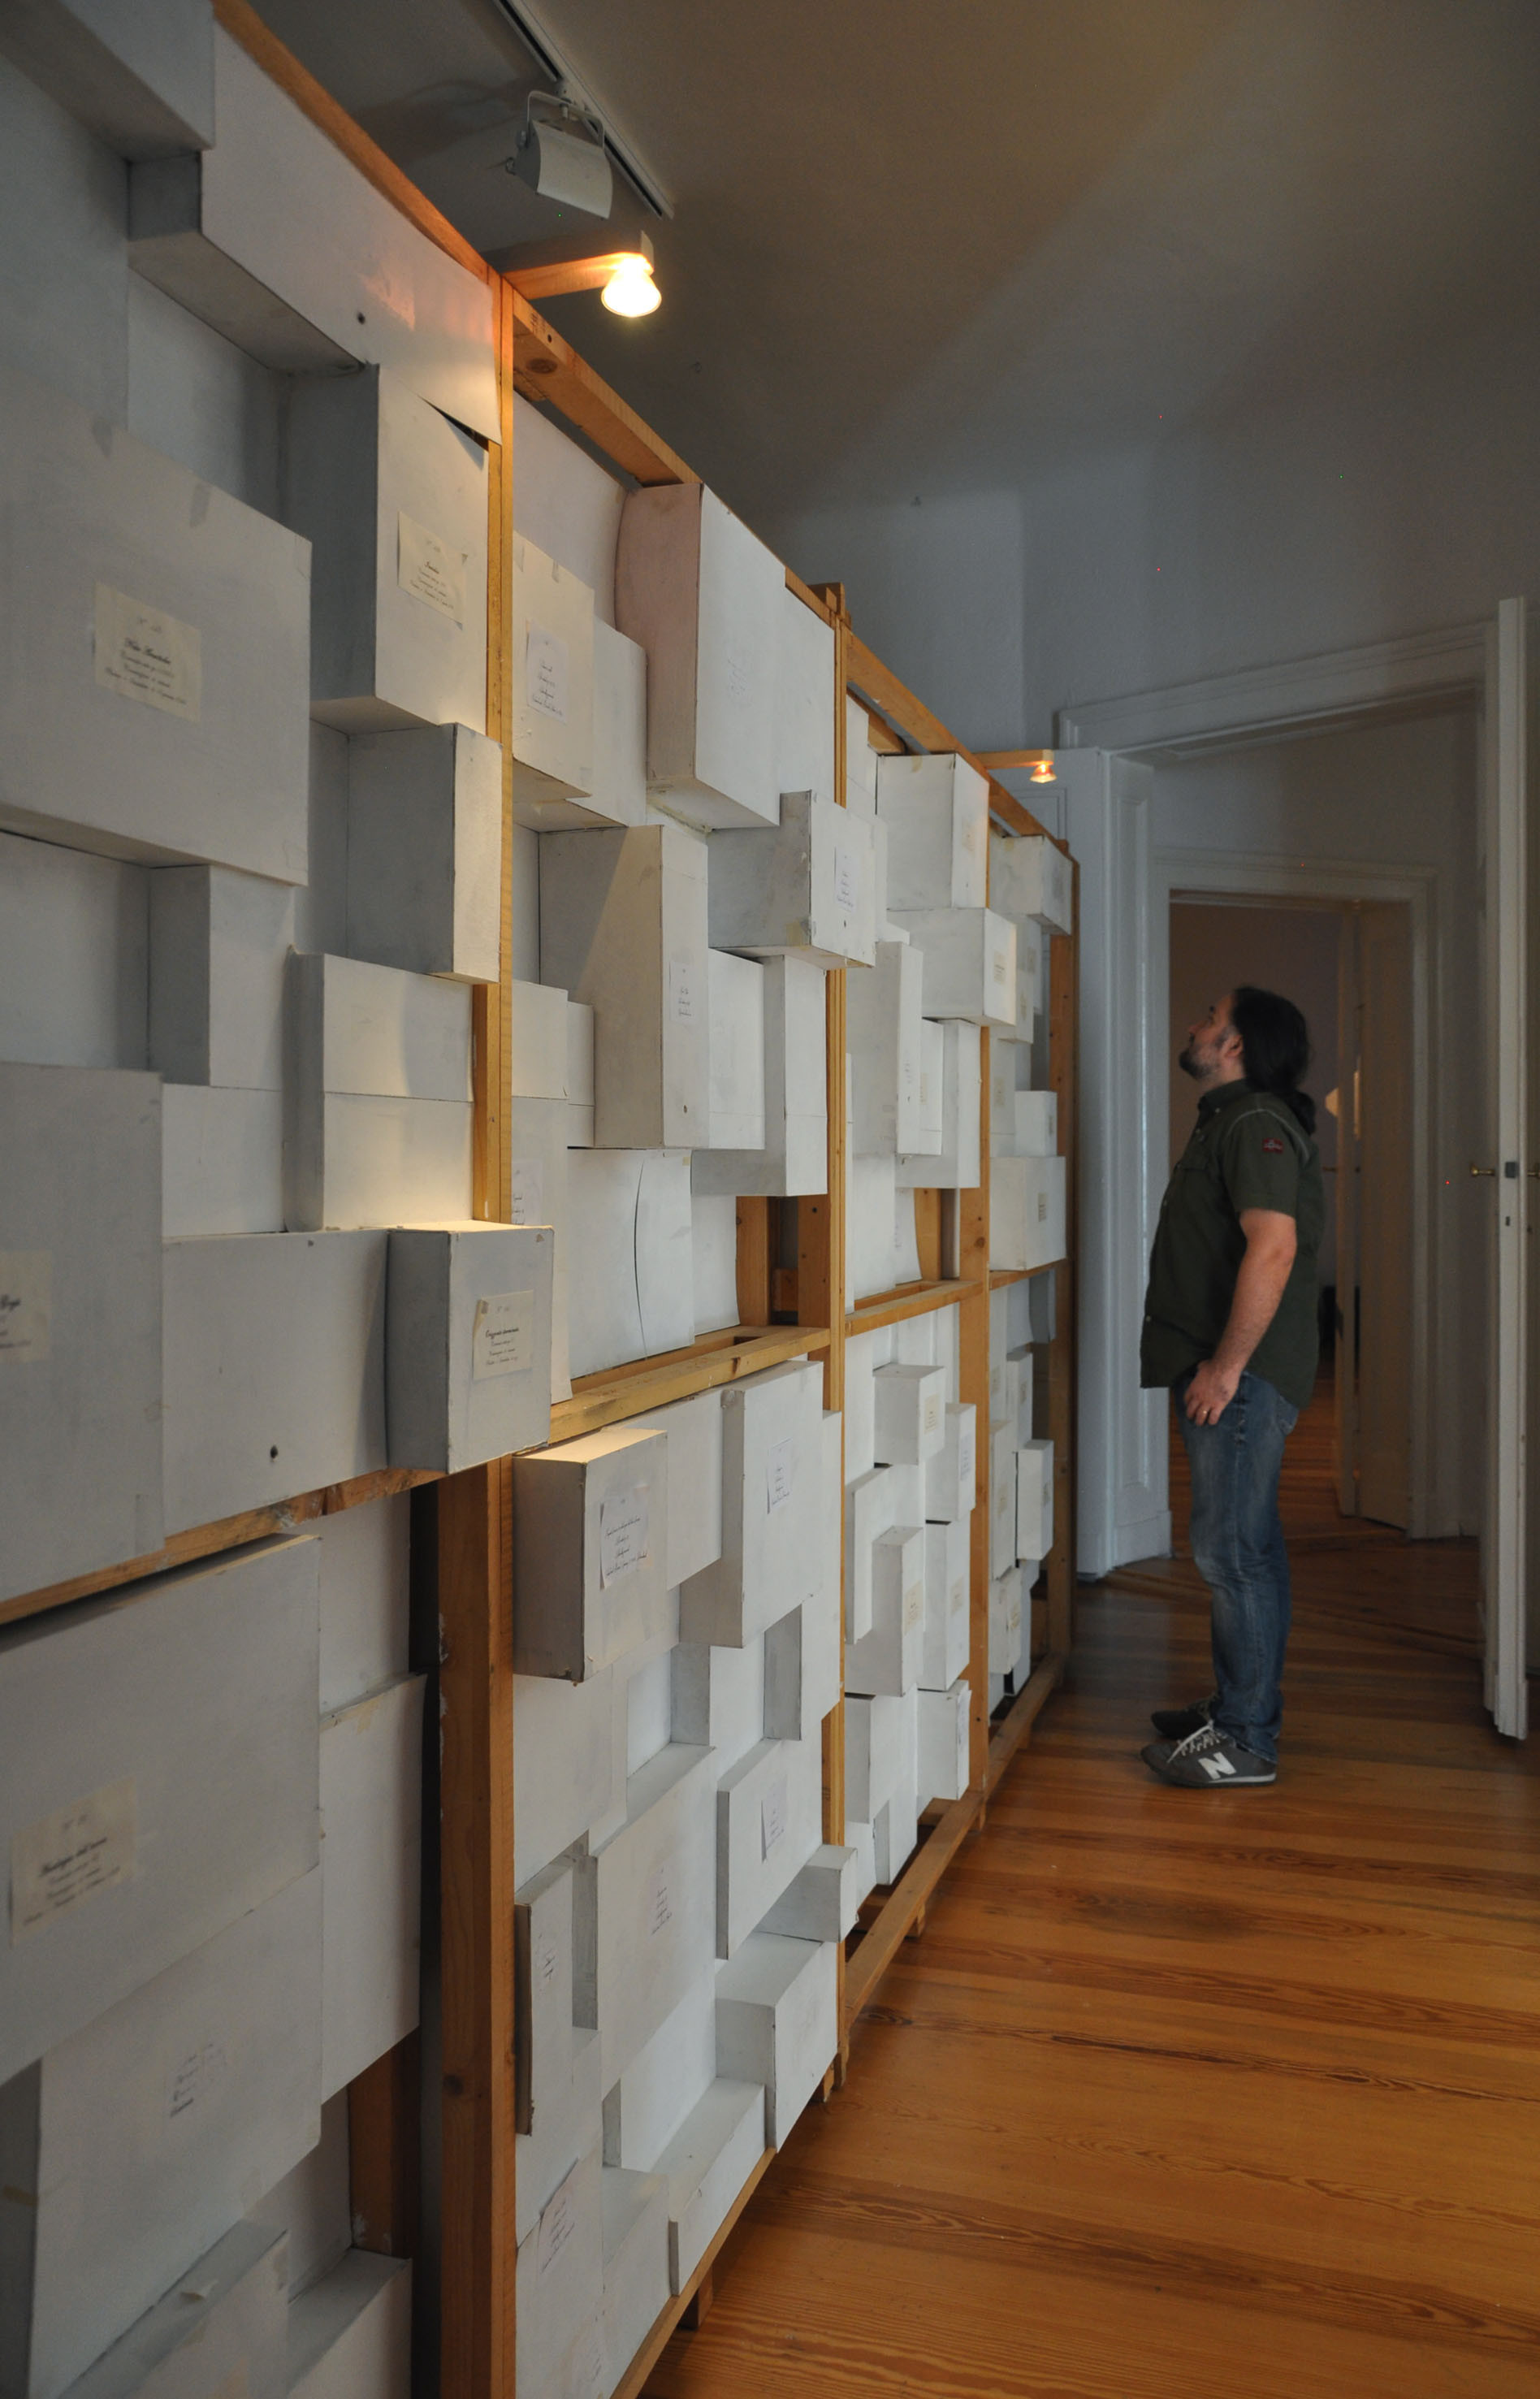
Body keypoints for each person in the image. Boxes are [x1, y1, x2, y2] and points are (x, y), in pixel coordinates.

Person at [1138, 985, 1325, 1788]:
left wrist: (1225, 1366)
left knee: (1231, 1553)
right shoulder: (1232, 1120)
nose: (1195, 1025)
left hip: (1239, 1376)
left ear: (1237, 1045)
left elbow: (1273, 1248)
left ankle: (1246, 1739)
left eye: (1210, 1019)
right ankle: (1236, 1708)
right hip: (1233, 1370)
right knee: (1249, 1548)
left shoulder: (1253, 1124)